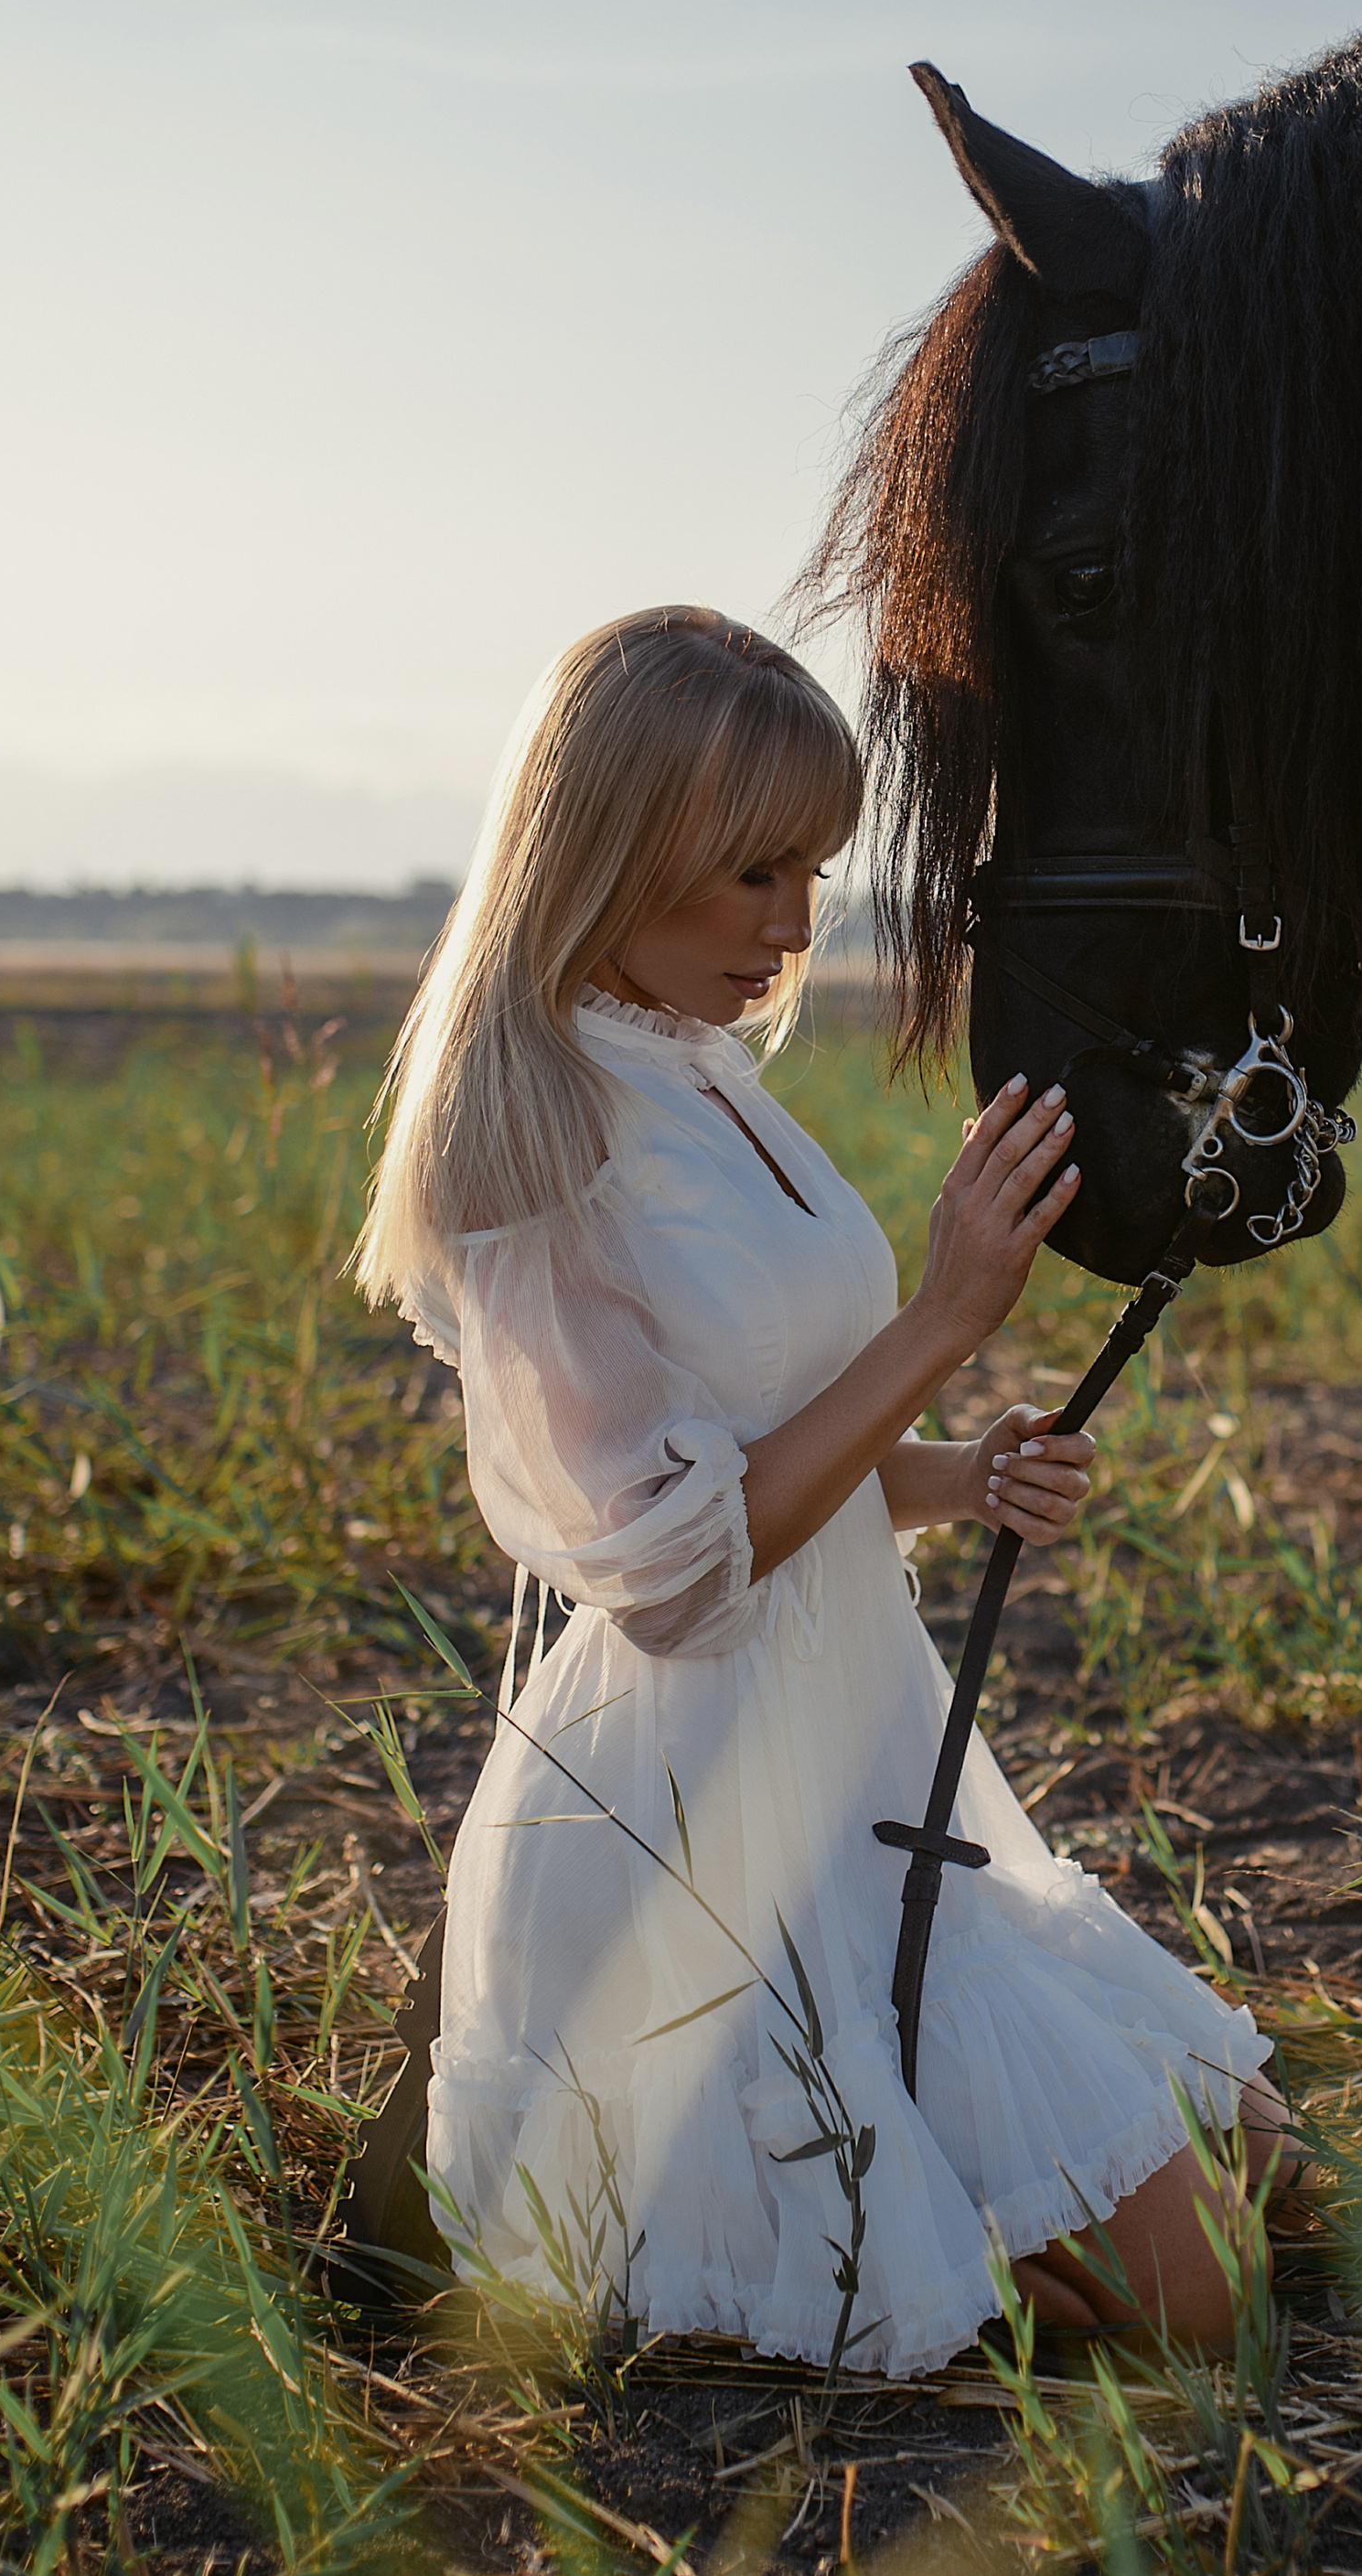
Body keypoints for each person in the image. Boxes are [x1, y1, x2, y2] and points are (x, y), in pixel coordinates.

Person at [352, 606, 1291, 2373]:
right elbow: (680, 1572)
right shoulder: (530, 1123)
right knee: (1203, 2299)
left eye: (813, 867)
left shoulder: (701, 1069)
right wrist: (944, 1318)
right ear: (610, 843)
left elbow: (787, 1436)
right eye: (750, 869)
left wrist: (957, 1470)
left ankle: (968, 2209)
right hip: (703, 1827)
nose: (792, 922)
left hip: (855, 1755)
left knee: (1272, 2171)